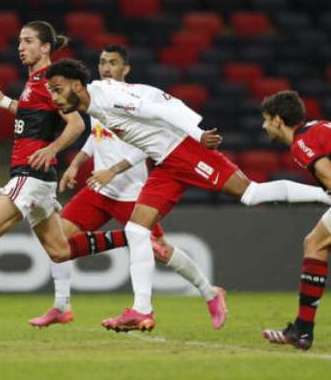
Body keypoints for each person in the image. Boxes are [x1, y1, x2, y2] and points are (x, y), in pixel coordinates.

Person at [45, 58, 331, 332]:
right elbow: (161, 101)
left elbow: (159, 110)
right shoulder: (96, 101)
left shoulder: (106, 97)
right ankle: (141, 310)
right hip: (165, 162)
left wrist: (198, 133)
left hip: (185, 150)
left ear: (77, 85)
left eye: (58, 90)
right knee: (135, 229)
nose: (55, 98)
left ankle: (325, 196)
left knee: (251, 193)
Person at [0, 22, 131, 334]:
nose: (21, 46)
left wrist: (52, 149)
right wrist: (3, 102)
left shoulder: (51, 79)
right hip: (36, 179)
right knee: (60, 250)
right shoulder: (35, 82)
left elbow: (76, 125)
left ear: (45, 47)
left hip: (30, 176)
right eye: (19, 41)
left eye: (28, 41)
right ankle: (134, 237)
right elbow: (34, 117)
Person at [29, 45, 227, 330]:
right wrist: (76, 163)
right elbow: (95, 136)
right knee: (57, 239)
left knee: (160, 249)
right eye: (101, 62)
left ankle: (210, 293)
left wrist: (114, 169)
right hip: (98, 190)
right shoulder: (92, 95)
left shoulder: (130, 97)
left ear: (126, 69)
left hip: (131, 191)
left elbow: (147, 147)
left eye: (112, 63)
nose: (106, 68)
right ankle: (61, 306)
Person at [260, 91, 331, 350]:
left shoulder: (301, 143)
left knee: (315, 243)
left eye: (266, 119)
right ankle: (303, 330)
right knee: (315, 243)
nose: (264, 125)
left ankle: (303, 331)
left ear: (278, 120)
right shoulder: (316, 129)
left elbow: (329, 176)